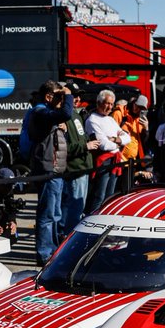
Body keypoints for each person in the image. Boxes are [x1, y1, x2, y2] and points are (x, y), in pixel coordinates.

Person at [25, 80, 76, 265]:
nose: (63, 100)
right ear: (48, 97)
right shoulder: (40, 112)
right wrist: (68, 94)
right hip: (47, 170)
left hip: (56, 170)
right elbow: (67, 113)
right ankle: (45, 253)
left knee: (55, 214)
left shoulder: (50, 116)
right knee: (47, 214)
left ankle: (52, 250)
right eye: (59, 96)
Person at [62, 84, 101, 232]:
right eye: (74, 95)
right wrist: (86, 146)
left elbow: (80, 139)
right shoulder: (64, 116)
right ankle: (69, 238)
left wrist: (88, 142)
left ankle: (68, 235)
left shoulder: (76, 114)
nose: (78, 99)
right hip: (75, 168)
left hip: (83, 167)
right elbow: (64, 148)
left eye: (79, 96)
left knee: (78, 206)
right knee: (75, 207)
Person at [84, 90, 130, 214]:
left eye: (111, 104)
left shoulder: (110, 120)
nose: (110, 107)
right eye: (107, 103)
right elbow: (104, 145)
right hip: (103, 161)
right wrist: (119, 141)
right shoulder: (92, 120)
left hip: (115, 159)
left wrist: (115, 139)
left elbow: (128, 138)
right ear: (99, 103)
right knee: (99, 195)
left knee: (110, 196)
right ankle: (93, 221)